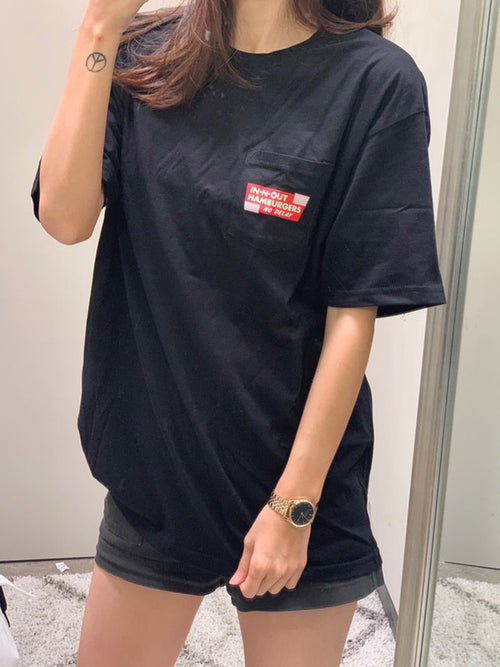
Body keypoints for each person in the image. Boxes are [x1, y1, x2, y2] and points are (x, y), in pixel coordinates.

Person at [30, 0, 447, 664]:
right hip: (159, 471)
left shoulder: (376, 82)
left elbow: (352, 313)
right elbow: (64, 216)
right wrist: (98, 28)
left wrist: (294, 506)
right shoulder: (141, 54)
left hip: (300, 476)